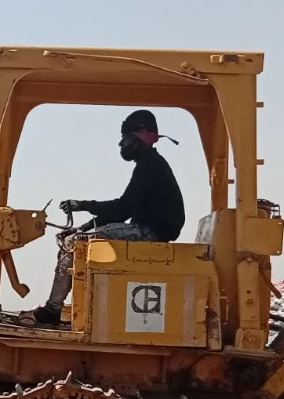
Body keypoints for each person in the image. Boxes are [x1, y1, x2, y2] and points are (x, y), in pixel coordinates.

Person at [25, 109, 185, 326]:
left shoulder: (149, 165)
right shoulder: (151, 164)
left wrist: (83, 205)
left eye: (125, 138)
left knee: (73, 244)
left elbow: (122, 208)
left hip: (148, 232)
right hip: (148, 229)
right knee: (77, 238)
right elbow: (122, 211)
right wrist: (82, 227)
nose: (121, 144)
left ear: (138, 137)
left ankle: (52, 310)